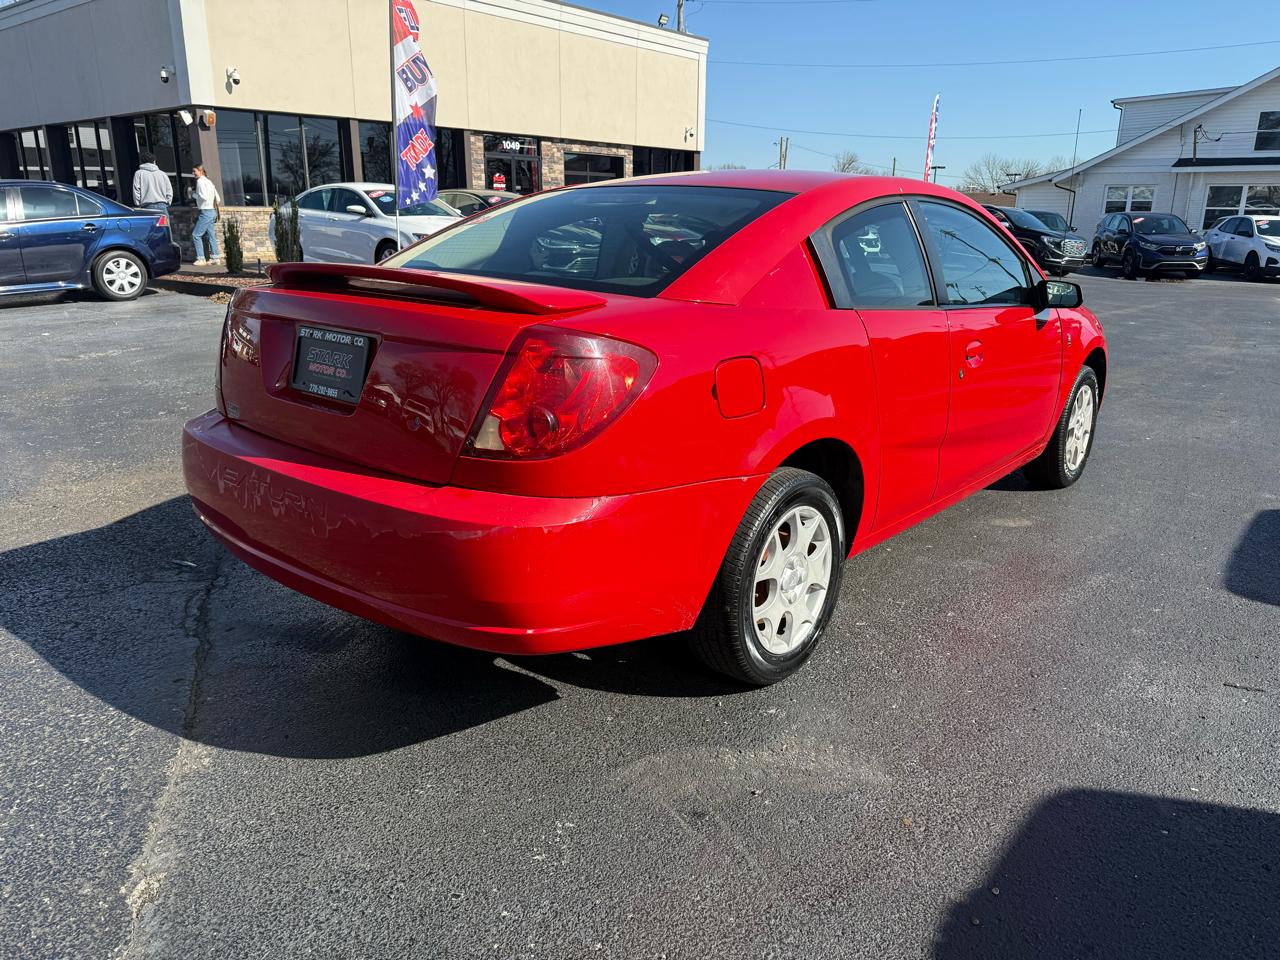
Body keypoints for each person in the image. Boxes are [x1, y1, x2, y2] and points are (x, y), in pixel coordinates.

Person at [190, 164, 222, 265]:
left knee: (196, 235)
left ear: (201, 171)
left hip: (206, 212)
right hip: (212, 211)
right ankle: (216, 258)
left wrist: (193, 194)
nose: (193, 173)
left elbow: (203, 196)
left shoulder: (200, 181)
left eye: (194, 171)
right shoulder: (209, 182)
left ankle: (201, 259)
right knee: (211, 235)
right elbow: (218, 199)